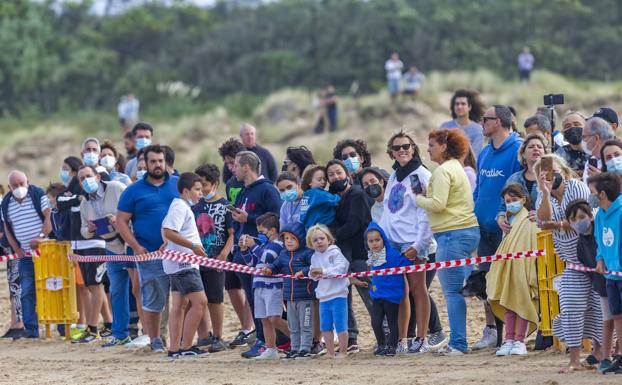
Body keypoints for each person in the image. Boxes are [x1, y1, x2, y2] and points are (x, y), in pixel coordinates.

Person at [534, 154, 602, 373]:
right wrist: (545, 194)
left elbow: (586, 222)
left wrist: (560, 224)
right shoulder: (541, 194)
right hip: (572, 262)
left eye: (552, 170)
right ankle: (574, 359)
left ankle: (601, 352)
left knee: (601, 310)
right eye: (543, 173)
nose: (548, 175)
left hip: (595, 258)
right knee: (571, 307)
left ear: (563, 170)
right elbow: (543, 222)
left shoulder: (576, 187)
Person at [415, 129, 480, 355]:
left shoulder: (443, 171)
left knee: (452, 292)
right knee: (460, 290)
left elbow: (438, 204)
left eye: (432, 144)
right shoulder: (456, 168)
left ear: (444, 146)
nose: (428, 149)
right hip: (463, 232)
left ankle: (459, 344)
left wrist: (418, 199)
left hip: (452, 234)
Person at [117, 144, 179, 353]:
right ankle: (155, 340)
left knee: (185, 298)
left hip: (178, 253)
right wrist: (136, 246)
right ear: (145, 163)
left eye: (160, 161)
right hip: (149, 254)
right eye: (153, 161)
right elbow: (121, 221)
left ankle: (182, 340)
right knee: (153, 301)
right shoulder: (133, 191)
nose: (157, 165)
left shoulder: (178, 185)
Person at [473, 105, 523, 350]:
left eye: (486, 119)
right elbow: (479, 190)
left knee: (509, 281)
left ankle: (513, 333)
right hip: (483, 229)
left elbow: (520, 189)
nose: (481, 122)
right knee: (486, 280)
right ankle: (491, 329)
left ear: (500, 122)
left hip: (508, 230)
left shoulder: (517, 148)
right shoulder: (483, 152)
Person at [379, 131, 434, 354]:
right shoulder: (395, 176)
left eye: (406, 146)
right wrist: (380, 238)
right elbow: (387, 210)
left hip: (412, 241)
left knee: (418, 290)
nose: (402, 151)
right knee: (400, 292)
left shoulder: (419, 175)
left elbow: (425, 211)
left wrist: (419, 244)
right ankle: (402, 339)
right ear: (391, 152)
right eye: (397, 147)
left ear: (413, 148)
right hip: (392, 242)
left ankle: (422, 338)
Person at [231, 150, 282, 358]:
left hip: (263, 255)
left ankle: (269, 342)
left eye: (235, 164)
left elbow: (276, 218)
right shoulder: (243, 191)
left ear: (246, 167)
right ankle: (262, 340)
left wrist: (249, 219)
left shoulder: (267, 190)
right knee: (254, 301)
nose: (232, 168)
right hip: (244, 253)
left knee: (264, 302)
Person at [77, 166, 129, 346]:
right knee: (116, 291)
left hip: (131, 242)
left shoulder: (115, 187)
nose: (86, 180)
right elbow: (83, 230)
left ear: (98, 177)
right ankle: (120, 334)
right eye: (82, 178)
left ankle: (146, 333)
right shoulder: (84, 204)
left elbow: (134, 205)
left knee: (138, 289)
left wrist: (120, 218)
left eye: (89, 176)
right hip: (111, 247)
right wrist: (90, 230)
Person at [487, 184, 539, 356]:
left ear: (523, 199)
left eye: (514, 200)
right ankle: (509, 340)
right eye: (507, 201)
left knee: (522, 304)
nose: (511, 203)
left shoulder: (529, 220)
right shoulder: (508, 220)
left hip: (523, 269)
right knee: (508, 305)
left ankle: (520, 341)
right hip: (508, 268)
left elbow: (530, 244)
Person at [326, 159, 373, 353]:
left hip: (360, 254)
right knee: (344, 298)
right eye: (331, 175)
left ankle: (386, 334)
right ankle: (351, 338)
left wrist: (330, 235)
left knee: (370, 296)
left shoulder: (357, 194)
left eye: (339, 172)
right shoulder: (332, 199)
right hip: (341, 256)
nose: (336, 177)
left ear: (347, 174)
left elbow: (354, 224)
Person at [161, 172, 209, 358]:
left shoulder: (178, 206)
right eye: (197, 190)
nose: (200, 193)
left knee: (180, 304)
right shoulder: (180, 206)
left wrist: (167, 243)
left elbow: (167, 232)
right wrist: (193, 246)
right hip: (184, 264)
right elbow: (169, 231)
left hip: (178, 263)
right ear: (186, 191)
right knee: (200, 302)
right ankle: (186, 346)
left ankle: (174, 348)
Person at [567, 199, 616, 373]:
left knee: (615, 319)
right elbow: (589, 269)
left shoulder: (602, 231)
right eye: (573, 219)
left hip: (615, 279)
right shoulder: (580, 243)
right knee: (608, 320)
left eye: (581, 217)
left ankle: (613, 353)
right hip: (603, 286)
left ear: (590, 216)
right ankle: (606, 357)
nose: (578, 222)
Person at [2, 170, 52, 339]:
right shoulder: (6, 203)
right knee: (27, 291)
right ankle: (31, 329)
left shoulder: (38, 194)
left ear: (27, 182)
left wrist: (41, 237)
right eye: (14, 185)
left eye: (21, 184)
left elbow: (48, 216)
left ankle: (60, 327)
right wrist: (16, 248)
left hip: (46, 251)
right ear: (9, 187)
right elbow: (8, 229)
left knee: (53, 287)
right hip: (25, 255)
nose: (19, 188)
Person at [216, 138, 255, 348]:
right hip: (233, 237)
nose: (231, 167)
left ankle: (249, 327)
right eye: (227, 163)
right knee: (231, 284)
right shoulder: (231, 183)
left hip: (250, 240)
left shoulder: (254, 182)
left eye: (233, 163)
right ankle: (246, 327)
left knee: (250, 285)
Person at [192, 163, 233, 353]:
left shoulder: (226, 206)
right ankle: (203, 335)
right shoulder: (195, 207)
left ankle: (218, 336)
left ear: (215, 184)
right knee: (198, 298)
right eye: (198, 185)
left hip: (217, 260)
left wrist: (224, 254)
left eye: (205, 185)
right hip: (197, 260)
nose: (202, 190)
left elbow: (232, 233)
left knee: (216, 299)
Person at [239, 213, 289, 360]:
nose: (259, 235)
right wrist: (244, 250)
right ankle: (271, 349)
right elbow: (251, 264)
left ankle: (297, 340)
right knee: (264, 319)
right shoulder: (263, 246)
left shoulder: (278, 245)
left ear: (272, 231)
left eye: (261, 232)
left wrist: (253, 246)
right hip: (259, 285)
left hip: (273, 287)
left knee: (274, 318)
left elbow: (268, 258)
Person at [591, 173, 622, 374]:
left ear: (602, 193)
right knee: (617, 315)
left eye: (593, 193)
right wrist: (600, 258)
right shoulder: (600, 214)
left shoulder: (620, 212)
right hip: (610, 275)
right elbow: (599, 239)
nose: (591, 196)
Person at [365, 222, 412, 356]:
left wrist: (411, 257)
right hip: (377, 295)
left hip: (392, 295)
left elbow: (406, 263)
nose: (374, 243)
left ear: (383, 239)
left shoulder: (392, 254)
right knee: (375, 321)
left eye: (377, 240)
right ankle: (381, 344)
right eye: (371, 241)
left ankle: (392, 346)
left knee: (392, 322)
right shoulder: (371, 257)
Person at [307, 224, 349, 358]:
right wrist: (311, 274)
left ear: (328, 239)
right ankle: (330, 352)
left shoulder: (335, 252)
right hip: (323, 296)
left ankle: (343, 351)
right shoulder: (314, 257)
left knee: (341, 324)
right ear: (311, 244)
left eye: (321, 238)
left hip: (338, 294)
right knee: (325, 326)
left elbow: (342, 268)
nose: (319, 242)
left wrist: (323, 271)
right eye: (315, 240)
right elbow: (313, 272)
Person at [497, 134, 548, 234]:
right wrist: (501, 218)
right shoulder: (514, 178)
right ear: (523, 154)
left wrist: (542, 215)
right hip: (519, 233)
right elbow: (503, 206)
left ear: (545, 154)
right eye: (531, 147)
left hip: (545, 233)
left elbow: (560, 205)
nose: (536, 149)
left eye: (539, 147)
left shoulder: (551, 178)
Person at [440, 89, 485, 157]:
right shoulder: (445, 127)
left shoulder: (478, 130)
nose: (459, 106)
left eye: (463, 104)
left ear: (469, 107)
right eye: (457, 104)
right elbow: (440, 151)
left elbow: (475, 155)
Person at [299, 165, 340, 230]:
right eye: (319, 179)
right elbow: (336, 200)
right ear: (310, 182)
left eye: (325, 179)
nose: (323, 182)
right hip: (323, 228)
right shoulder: (317, 193)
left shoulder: (306, 195)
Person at [555, 111, 589, 177]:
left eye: (577, 124)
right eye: (567, 126)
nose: (572, 128)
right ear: (563, 132)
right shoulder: (559, 154)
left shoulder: (596, 151)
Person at [582, 117, 615, 183]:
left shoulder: (616, 160)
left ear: (596, 138)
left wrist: (603, 179)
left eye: (584, 137)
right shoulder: (591, 162)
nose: (583, 141)